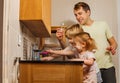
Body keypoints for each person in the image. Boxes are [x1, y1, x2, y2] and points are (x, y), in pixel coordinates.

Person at [56, 2, 118, 83]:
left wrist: (112, 47)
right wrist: (60, 40)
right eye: (76, 15)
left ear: (88, 12)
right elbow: (70, 52)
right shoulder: (78, 29)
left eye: (80, 13)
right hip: (89, 70)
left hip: (107, 68)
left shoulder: (103, 24)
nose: (78, 17)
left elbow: (114, 43)